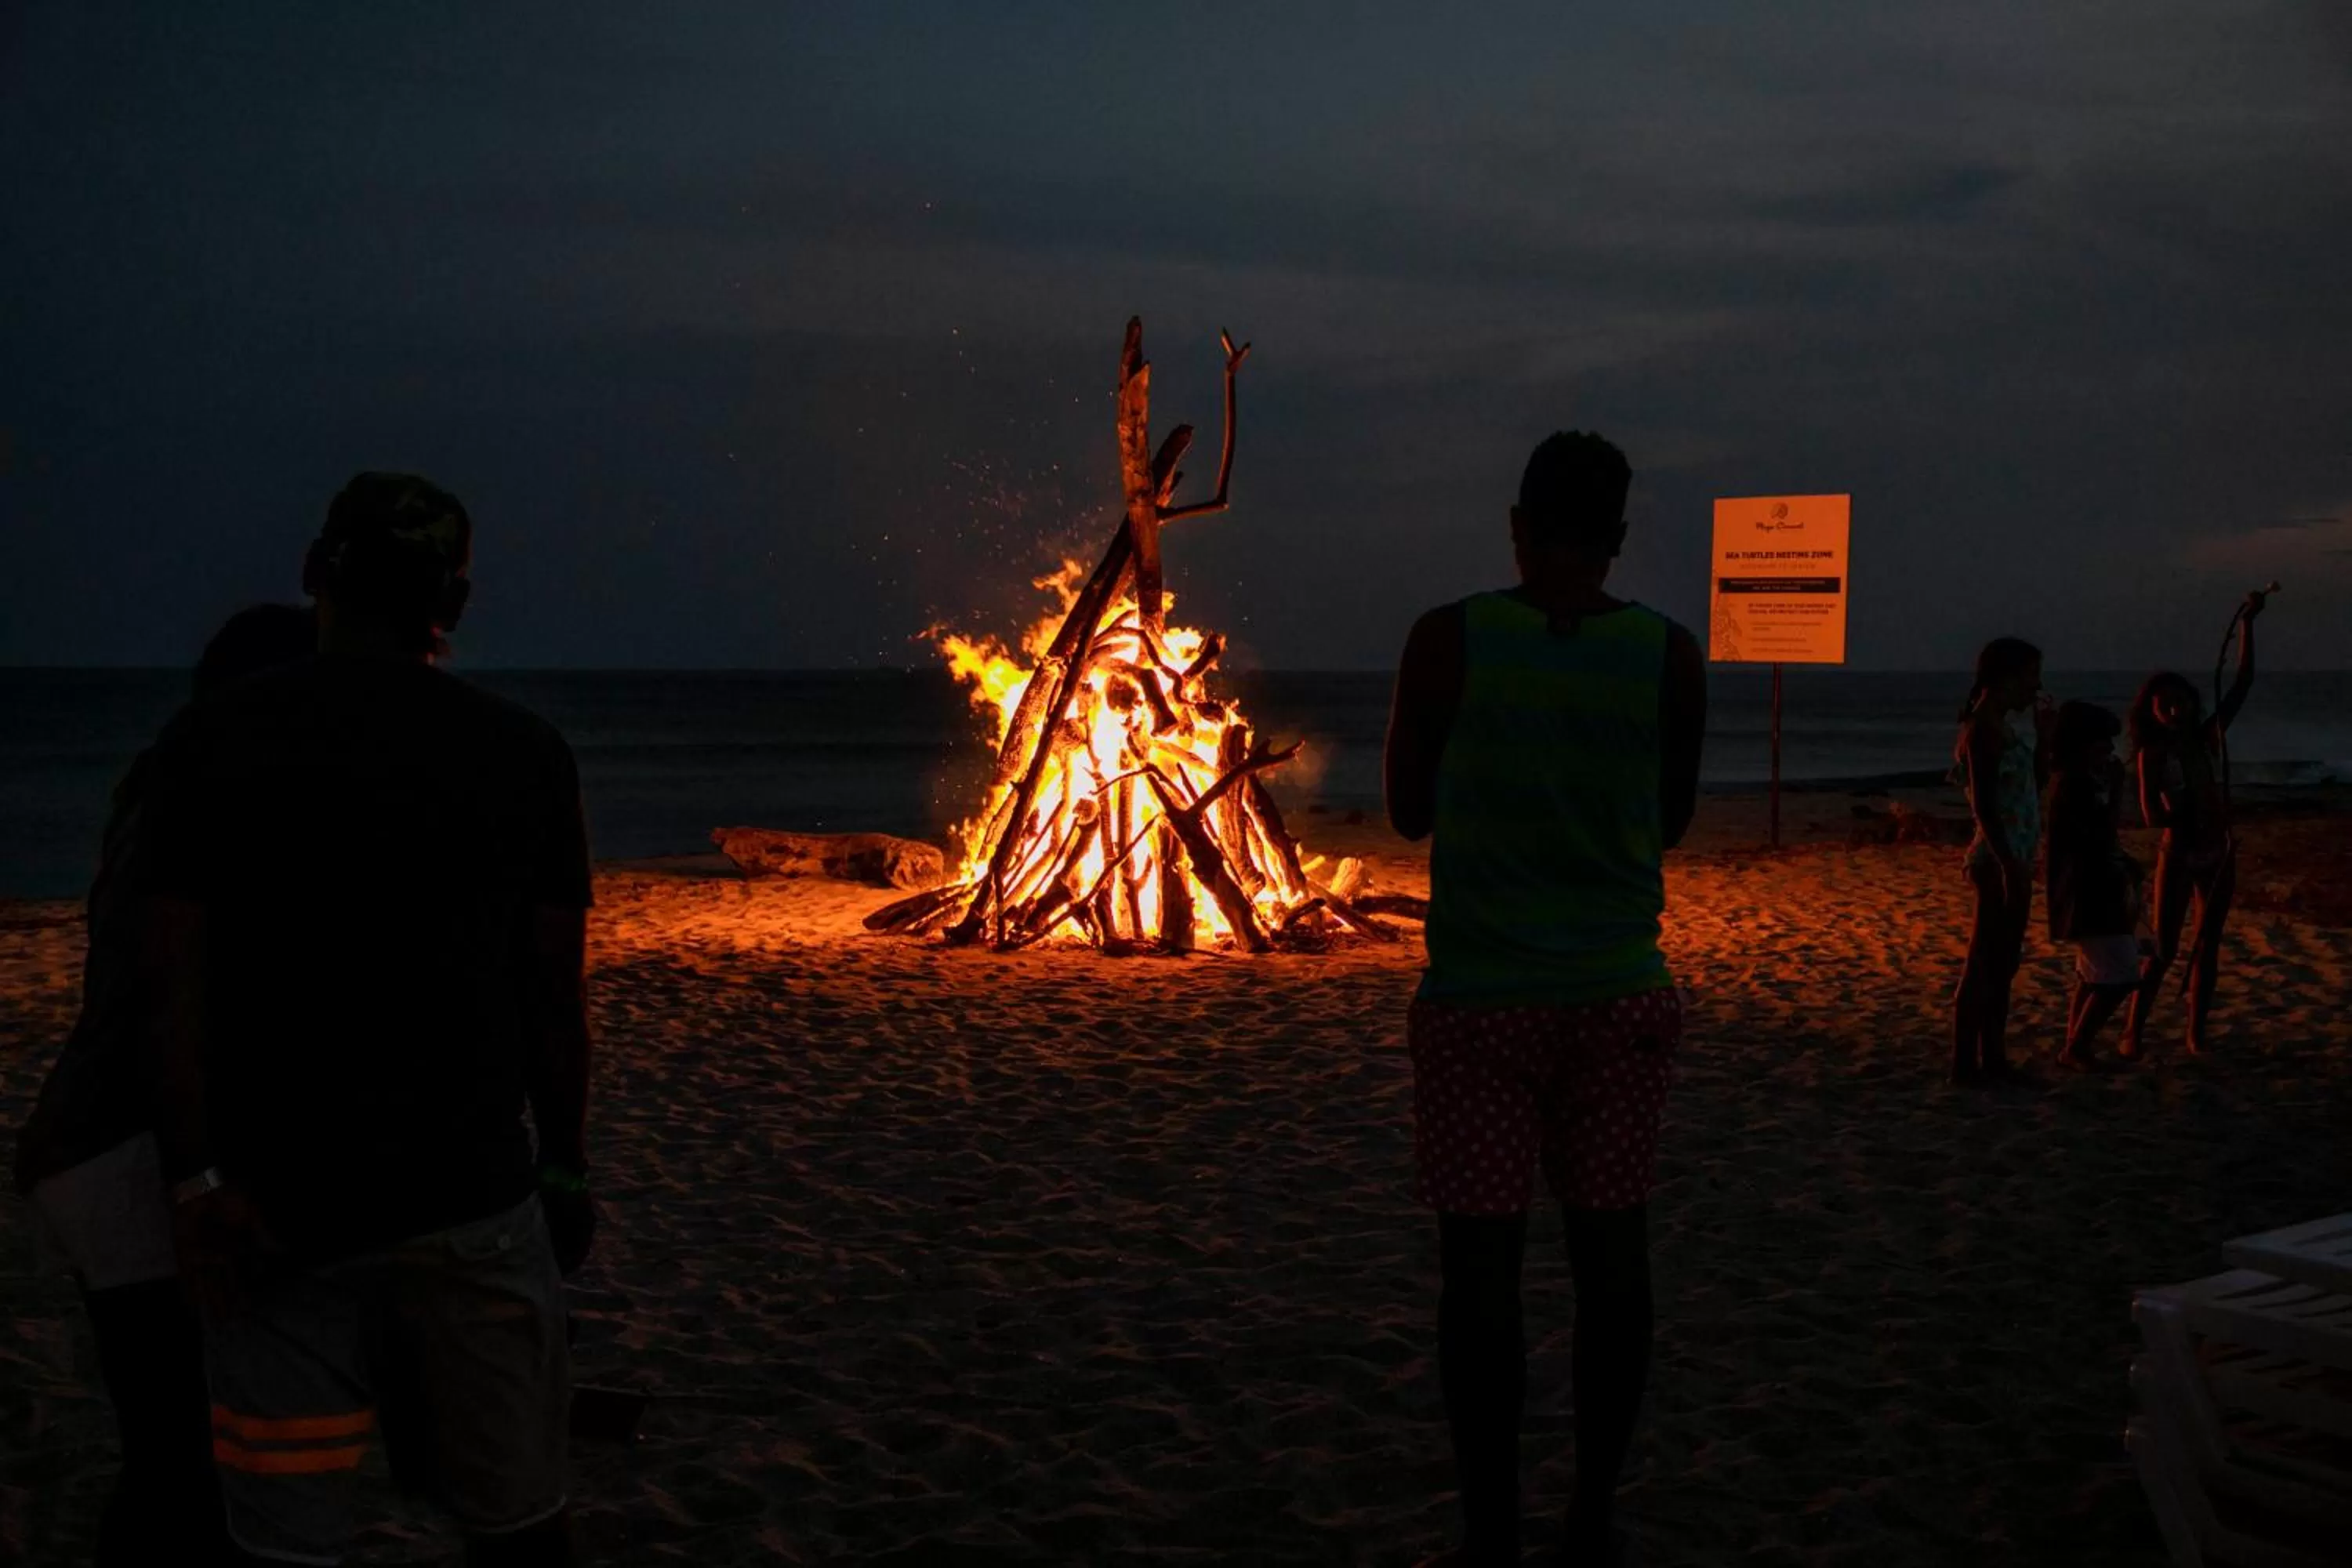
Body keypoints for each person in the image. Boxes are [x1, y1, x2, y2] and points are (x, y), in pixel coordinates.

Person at [136, 473, 597, 1566]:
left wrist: (196, 1182)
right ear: (456, 603)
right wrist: (566, 1169)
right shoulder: (523, 753)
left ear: (313, 577)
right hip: (470, 1206)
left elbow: (170, 986)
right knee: (518, 1525)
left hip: (276, 1214)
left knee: (287, 1543)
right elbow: (550, 998)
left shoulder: (212, 741)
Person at [1385, 431, 1706, 1566]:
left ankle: (1491, 1528)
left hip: (1481, 999)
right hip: (1618, 994)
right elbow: (1669, 821)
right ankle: (1591, 1512)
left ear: (1516, 526)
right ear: (1618, 542)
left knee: (1481, 1270)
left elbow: (1407, 813)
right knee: (1613, 1259)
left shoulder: (1446, 639)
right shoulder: (1669, 655)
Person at [13, 604, 314, 1567]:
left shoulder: (163, 789)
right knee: (185, 1455)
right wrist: (199, 1180)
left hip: (102, 1143)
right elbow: (169, 1009)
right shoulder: (210, 804)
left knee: (176, 1447)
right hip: (129, 1148)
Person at [2121, 592, 2266, 1058]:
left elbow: (2242, 682)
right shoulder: (2152, 755)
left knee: (2209, 943)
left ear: (2191, 700)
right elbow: (2149, 815)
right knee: (2163, 949)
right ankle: (2133, 1032)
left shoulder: (2207, 738)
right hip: (2179, 852)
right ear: (2153, 711)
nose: (2175, 709)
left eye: (2180, 699)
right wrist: (2181, 805)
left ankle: (2196, 1036)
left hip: (2219, 851)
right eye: (2165, 704)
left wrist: (2247, 625)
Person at [1950, 637, 2045, 1086]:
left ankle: (1993, 1058)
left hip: (2015, 854)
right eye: (2031, 677)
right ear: (2007, 679)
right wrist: (2009, 863)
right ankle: (1967, 1064)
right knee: (1985, 959)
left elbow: (2028, 788)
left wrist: (2045, 737)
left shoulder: (2001, 726)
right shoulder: (1982, 729)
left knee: (2003, 961)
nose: (2036, 687)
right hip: (1998, 857)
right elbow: (1986, 806)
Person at [2043, 701, 2143, 1071]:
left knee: (2093, 972)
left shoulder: (2075, 782)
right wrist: (2117, 791)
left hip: (2083, 890)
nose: (2110, 752)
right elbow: (2100, 834)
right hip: (2089, 892)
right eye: (2103, 744)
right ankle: (2078, 1045)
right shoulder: (2075, 785)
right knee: (2120, 974)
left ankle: (2075, 1043)